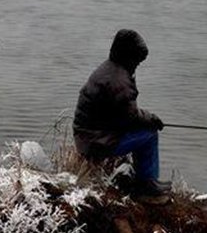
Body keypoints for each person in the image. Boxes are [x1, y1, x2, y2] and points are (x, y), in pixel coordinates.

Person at [73, 29, 171, 198]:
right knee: (149, 135)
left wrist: (146, 118)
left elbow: (122, 114)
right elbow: (131, 118)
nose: (138, 65)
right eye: (137, 61)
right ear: (129, 56)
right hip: (96, 142)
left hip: (88, 136)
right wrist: (152, 119)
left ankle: (144, 179)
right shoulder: (119, 81)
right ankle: (147, 185)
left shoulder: (109, 68)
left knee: (143, 131)